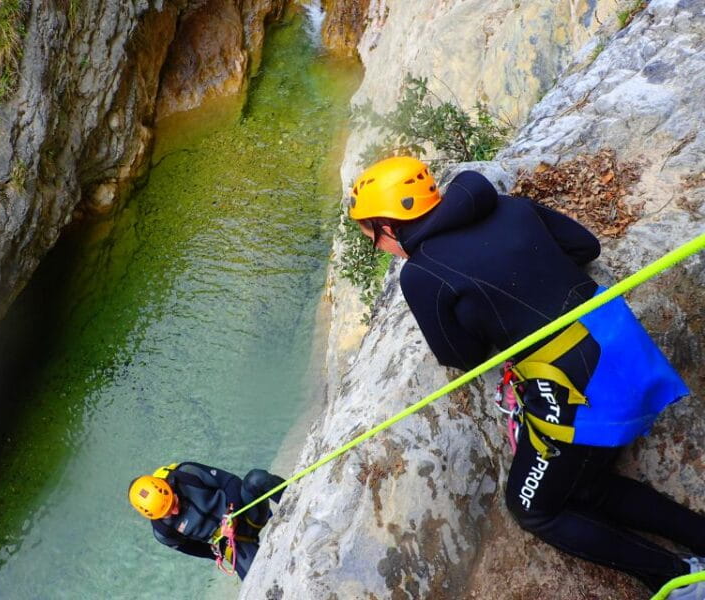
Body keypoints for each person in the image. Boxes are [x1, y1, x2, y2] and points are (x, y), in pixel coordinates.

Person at [347, 156, 705, 597]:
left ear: (389, 224)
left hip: (582, 388)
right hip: (624, 348)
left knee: (533, 506)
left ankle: (677, 578)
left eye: (371, 236)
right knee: (584, 486)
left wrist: (487, 314)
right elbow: (584, 247)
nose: (377, 246)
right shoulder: (504, 205)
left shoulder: (421, 274)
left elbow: (461, 356)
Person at [128, 461, 284, 579]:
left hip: (246, 512)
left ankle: (296, 495)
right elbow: (194, 548)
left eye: (173, 502)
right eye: (168, 513)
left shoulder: (186, 474)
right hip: (233, 542)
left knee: (256, 479)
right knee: (256, 576)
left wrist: (231, 514)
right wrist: (221, 551)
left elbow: (229, 482)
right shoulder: (163, 532)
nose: (175, 510)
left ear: (167, 487)